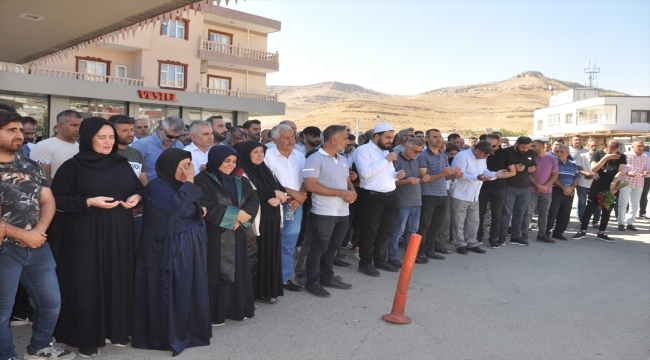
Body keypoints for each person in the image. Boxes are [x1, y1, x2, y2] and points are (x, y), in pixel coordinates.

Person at [51, 117, 145, 357]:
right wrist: (87, 201)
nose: (107, 142)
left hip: (120, 230)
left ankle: (116, 330)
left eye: (111, 137)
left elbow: (138, 188)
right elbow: (57, 199)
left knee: (118, 278)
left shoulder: (121, 162)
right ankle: (86, 338)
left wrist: (137, 198)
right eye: (101, 137)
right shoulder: (73, 166)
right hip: (85, 232)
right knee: (87, 283)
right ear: (88, 138)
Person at [0, 111, 76, 360]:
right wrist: (24, 234)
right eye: (12, 130)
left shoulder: (29, 164)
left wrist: (38, 232)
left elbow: (47, 199)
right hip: (5, 251)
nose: (19, 135)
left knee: (51, 303)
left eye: (20, 130)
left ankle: (40, 347)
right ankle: (7, 354)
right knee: (3, 310)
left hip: (37, 246)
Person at [133, 149, 211, 356]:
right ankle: (168, 335)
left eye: (189, 165)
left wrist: (198, 209)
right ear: (169, 166)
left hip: (190, 243)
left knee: (189, 287)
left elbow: (190, 205)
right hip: (171, 246)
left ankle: (191, 329)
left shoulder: (181, 185)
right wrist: (191, 180)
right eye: (182, 165)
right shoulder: (158, 185)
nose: (186, 170)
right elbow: (175, 204)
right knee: (172, 289)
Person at [194, 146, 260, 326]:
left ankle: (237, 308)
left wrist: (241, 218)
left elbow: (253, 199)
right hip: (215, 235)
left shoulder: (239, 180)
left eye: (233, 161)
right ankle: (217, 313)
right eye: (226, 161)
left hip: (237, 233)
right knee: (217, 271)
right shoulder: (201, 180)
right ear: (216, 161)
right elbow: (203, 204)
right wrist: (233, 216)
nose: (231, 165)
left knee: (238, 268)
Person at [303, 125, 356, 297]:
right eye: (344, 138)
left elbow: (347, 180)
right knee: (319, 247)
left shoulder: (342, 158)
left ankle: (327, 276)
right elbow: (310, 185)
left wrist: (352, 190)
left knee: (333, 247)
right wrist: (341, 192)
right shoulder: (315, 158)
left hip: (343, 211)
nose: (347, 142)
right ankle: (312, 281)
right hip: (324, 212)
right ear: (333, 140)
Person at [236, 140, 287, 304]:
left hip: (272, 219)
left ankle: (268, 291)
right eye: (255, 152)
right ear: (246, 153)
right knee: (257, 256)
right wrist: (274, 193)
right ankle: (254, 293)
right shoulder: (241, 172)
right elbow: (249, 194)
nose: (260, 155)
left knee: (271, 255)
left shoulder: (267, 170)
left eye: (262, 151)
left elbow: (282, 190)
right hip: (256, 221)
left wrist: (278, 199)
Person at [352, 123, 406, 276]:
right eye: (387, 137)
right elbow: (365, 174)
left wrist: (396, 175)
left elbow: (382, 174)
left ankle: (380, 259)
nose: (391, 141)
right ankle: (365, 263)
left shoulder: (386, 151)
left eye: (392, 138)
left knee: (386, 231)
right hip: (372, 197)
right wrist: (386, 160)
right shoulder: (363, 151)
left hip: (390, 196)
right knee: (370, 232)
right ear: (376, 136)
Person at [264, 124, 307, 291]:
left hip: (295, 206)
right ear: (274, 140)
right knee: (271, 243)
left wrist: (300, 197)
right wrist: (292, 194)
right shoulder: (267, 156)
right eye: (286, 138)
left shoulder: (300, 155)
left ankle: (283, 278)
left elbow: (306, 179)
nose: (291, 141)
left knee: (289, 243)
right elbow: (269, 182)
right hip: (274, 205)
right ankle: (268, 279)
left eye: (292, 137)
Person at [450, 141, 508, 254]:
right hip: (460, 194)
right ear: (477, 150)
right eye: (485, 155)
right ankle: (460, 244)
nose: (486, 157)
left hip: (475, 195)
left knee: (474, 221)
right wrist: (477, 177)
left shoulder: (482, 158)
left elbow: (484, 171)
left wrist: (495, 174)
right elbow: (460, 174)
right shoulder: (462, 156)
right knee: (459, 222)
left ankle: (471, 243)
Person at [415, 129, 458, 264]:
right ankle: (419, 252)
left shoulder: (443, 155)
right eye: (435, 137)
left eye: (440, 136)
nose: (438, 139)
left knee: (436, 224)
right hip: (428, 194)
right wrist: (442, 174)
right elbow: (423, 177)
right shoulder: (423, 156)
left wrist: (453, 175)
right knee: (424, 225)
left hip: (441, 193)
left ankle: (430, 249)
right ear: (427, 139)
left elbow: (445, 176)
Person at [573, 140, 627, 242]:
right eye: (609, 150)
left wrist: (613, 184)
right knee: (590, 209)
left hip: (612, 186)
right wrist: (606, 158)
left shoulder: (621, 156)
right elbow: (594, 169)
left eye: (614, 151)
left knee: (607, 210)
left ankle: (601, 233)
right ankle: (582, 231)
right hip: (597, 185)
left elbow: (620, 171)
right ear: (605, 147)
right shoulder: (598, 153)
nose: (612, 153)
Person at [389, 138, 425, 266]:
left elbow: (416, 179)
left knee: (413, 232)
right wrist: (407, 181)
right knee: (398, 231)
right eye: (415, 151)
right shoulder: (395, 160)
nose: (417, 154)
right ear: (407, 148)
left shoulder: (415, 161)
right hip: (402, 202)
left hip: (416, 202)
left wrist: (422, 179)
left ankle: (410, 257)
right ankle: (392, 257)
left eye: (419, 152)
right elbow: (389, 181)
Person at [478, 133, 516, 248]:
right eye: (488, 145)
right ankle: (478, 237)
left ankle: (493, 238)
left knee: (497, 214)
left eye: (493, 146)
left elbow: (513, 172)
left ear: (499, 143)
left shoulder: (506, 153)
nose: (490, 148)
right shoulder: (481, 153)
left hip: (498, 187)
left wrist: (497, 176)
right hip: (482, 186)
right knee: (479, 213)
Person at [500, 137, 537, 246]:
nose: (525, 149)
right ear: (516, 143)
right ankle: (502, 235)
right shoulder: (506, 152)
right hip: (509, 186)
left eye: (527, 147)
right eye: (522, 147)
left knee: (519, 213)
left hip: (525, 187)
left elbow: (533, 165)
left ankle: (515, 237)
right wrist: (513, 168)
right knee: (506, 213)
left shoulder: (530, 153)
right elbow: (500, 167)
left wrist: (533, 168)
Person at [521, 140, 558, 244]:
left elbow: (555, 174)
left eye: (534, 146)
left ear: (541, 147)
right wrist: (537, 185)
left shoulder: (552, 159)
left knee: (544, 213)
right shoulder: (529, 159)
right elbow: (526, 174)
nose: (531, 148)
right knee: (528, 213)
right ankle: (524, 234)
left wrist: (545, 186)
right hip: (531, 190)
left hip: (547, 191)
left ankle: (542, 234)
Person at [30, 110, 82, 183]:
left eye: (80, 125)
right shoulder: (45, 146)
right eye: (73, 125)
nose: (78, 130)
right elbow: (43, 179)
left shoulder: (82, 147)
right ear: (60, 126)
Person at [131, 116, 185, 180]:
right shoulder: (141, 145)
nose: (173, 140)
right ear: (161, 129)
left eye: (177, 137)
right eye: (170, 136)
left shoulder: (179, 145)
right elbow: (133, 172)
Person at [546, 145, 580, 240]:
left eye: (561, 152)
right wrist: (563, 187)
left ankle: (558, 232)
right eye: (557, 152)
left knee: (565, 212)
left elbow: (577, 177)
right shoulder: (554, 163)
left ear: (567, 153)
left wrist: (571, 188)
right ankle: (546, 232)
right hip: (556, 189)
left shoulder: (573, 164)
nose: (559, 154)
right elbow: (553, 177)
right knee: (553, 211)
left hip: (570, 190)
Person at [617, 140, 648, 231]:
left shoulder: (645, 157)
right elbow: (621, 168)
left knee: (634, 204)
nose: (640, 148)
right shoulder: (625, 155)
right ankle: (621, 223)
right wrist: (628, 172)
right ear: (633, 146)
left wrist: (646, 173)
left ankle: (630, 223)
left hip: (639, 182)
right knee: (623, 203)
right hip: (626, 182)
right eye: (638, 146)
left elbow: (646, 169)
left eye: (642, 146)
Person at [575, 139, 601, 227]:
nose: (593, 148)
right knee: (582, 203)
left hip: (597, 183)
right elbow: (578, 168)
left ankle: (596, 221)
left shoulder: (602, 157)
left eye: (595, 146)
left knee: (597, 203)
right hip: (583, 183)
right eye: (592, 146)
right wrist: (587, 174)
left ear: (598, 146)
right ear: (587, 146)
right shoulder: (582, 156)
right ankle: (582, 222)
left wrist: (593, 176)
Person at [639, 148, 650, 220]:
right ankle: (626, 212)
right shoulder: (630, 154)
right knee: (631, 194)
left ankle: (642, 213)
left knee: (644, 195)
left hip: (647, 177)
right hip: (636, 177)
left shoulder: (648, 154)